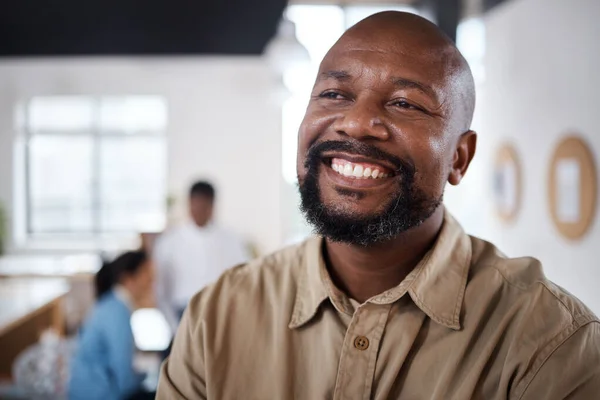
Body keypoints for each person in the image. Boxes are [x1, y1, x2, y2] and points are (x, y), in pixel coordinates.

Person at [157, 11, 600, 399]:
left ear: (459, 158)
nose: (355, 122)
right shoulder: (217, 317)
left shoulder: (551, 344)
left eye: (405, 103)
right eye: (334, 94)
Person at [153, 181, 250, 332]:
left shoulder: (231, 240)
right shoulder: (169, 242)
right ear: (189, 204)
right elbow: (162, 289)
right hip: (182, 313)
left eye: (204, 206)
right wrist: (173, 326)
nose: (199, 210)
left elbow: (243, 279)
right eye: (195, 205)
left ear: (212, 206)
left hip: (219, 312)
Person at [69, 251, 155, 400]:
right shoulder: (117, 312)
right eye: (145, 272)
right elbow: (124, 378)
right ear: (128, 279)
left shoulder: (112, 304)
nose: (151, 279)